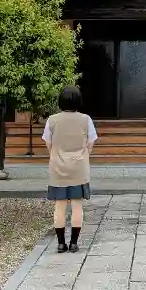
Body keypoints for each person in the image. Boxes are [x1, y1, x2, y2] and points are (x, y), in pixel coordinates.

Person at [43, 84, 97, 253]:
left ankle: (61, 243)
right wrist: (83, 155)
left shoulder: (52, 120)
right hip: (79, 168)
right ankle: (74, 243)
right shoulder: (86, 119)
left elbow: (48, 143)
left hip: (58, 168)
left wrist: (56, 155)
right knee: (77, 206)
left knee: (59, 206)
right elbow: (91, 143)